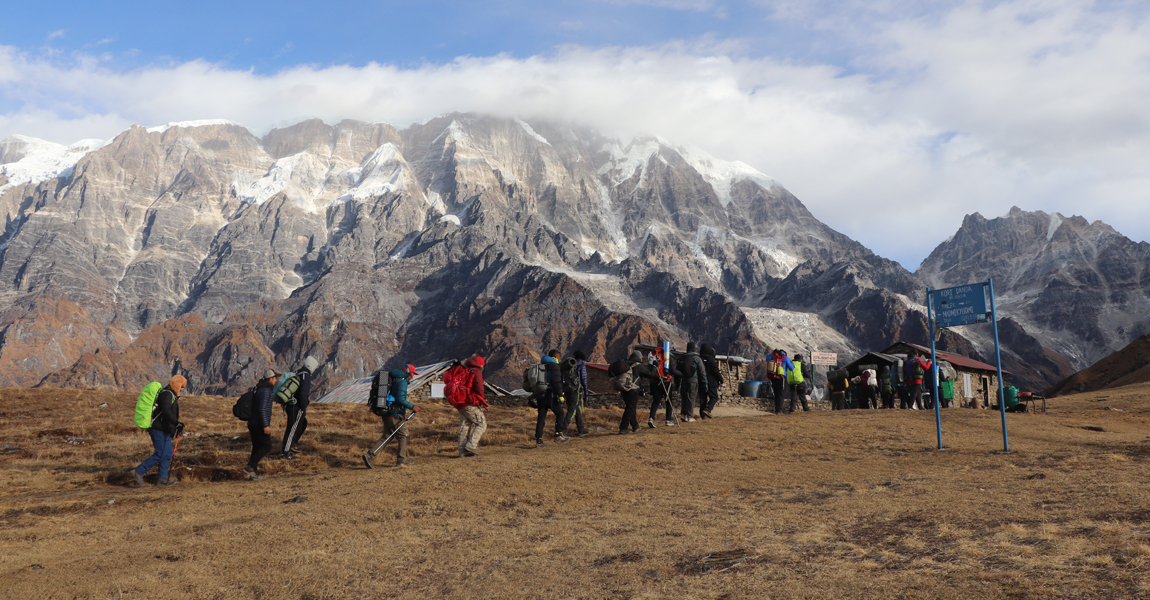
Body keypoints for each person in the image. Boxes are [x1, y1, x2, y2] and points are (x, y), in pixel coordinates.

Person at [130, 375, 186, 487]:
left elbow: (167, 413)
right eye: (181, 386)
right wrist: (176, 423)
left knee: (167, 453)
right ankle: (138, 471)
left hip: (163, 429)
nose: (182, 389)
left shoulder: (170, 395)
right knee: (161, 453)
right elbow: (166, 411)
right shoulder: (167, 394)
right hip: (158, 429)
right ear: (176, 384)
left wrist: (175, 427)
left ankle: (162, 479)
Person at [363, 364, 422, 468]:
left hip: (387, 412)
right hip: (395, 414)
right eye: (413, 373)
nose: (413, 376)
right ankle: (401, 460)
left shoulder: (394, 380)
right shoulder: (402, 382)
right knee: (403, 436)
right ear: (408, 372)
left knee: (387, 436)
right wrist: (413, 407)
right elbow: (400, 399)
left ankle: (370, 456)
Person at [280, 355, 318, 460]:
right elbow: (303, 394)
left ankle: (292, 444)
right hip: (296, 407)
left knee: (302, 423)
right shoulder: (306, 376)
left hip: (290, 405)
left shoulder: (298, 372)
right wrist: (303, 406)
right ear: (312, 366)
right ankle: (286, 452)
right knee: (292, 428)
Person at [244, 370, 277, 480]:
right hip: (258, 424)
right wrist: (265, 425)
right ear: (270, 379)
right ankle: (250, 466)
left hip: (254, 423)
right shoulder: (265, 391)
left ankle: (253, 474)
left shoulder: (261, 389)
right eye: (275, 378)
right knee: (267, 446)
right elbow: (262, 409)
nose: (276, 380)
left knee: (257, 447)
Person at [534, 350, 568, 446]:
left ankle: (539, 439)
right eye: (559, 357)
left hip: (540, 394)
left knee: (541, 417)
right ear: (556, 357)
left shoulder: (542, 365)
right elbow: (556, 382)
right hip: (550, 395)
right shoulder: (554, 366)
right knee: (560, 413)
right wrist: (560, 395)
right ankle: (558, 435)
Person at [457, 356, 488, 457]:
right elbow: (479, 387)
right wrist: (481, 400)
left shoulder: (465, 371)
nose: (483, 367)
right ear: (480, 364)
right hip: (470, 402)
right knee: (481, 424)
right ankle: (471, 445)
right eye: (482, 365)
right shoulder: (477, 372)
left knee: (465, 426)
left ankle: (462, 451)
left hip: (460, 403)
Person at [648, 347, 682, 428]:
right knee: (668, 401)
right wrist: (682, 375)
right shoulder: (668, 356)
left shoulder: (653, 355)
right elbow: (673, 370)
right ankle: (668, 420)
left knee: (656, 401)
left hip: (655, 381)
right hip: (666, 381)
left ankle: (651, 418)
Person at [559, 352, 589, 437]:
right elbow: (584, 380)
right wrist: (586, 394)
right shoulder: (581, 365)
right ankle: (562, 430)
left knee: (577, 409)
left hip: (567, 389)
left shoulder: (569, 365)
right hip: (575, 390)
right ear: (583, 359)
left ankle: (581, 430)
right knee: (572, 410)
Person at [678, 342, 707, 422]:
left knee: (684, 397)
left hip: (683, 380)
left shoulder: (682, 357)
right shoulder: (696, 358)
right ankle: (690, 416)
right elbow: (702, 371)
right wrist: (705, 382)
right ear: (694, 348)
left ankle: (683, 414)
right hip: (693, 380)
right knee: (691, 398)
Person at [765, 348, 795, 415]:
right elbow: (791, 368)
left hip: (773, 377)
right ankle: (779, 410)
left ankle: (776, 409)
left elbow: (767, 359)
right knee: (781, 394)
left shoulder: (772, 355)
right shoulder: (785, 358)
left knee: (776, 393)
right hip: (781, 378)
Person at [699, 343, 724, 418]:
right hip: (711, 382)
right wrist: (720, 379)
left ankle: (703, 415)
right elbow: (715, 370)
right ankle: (707, 409)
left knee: (703, 399)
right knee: (714, 397)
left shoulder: (699, 358)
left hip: (701, 381)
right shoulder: (710, 359)